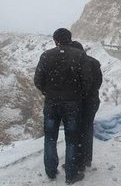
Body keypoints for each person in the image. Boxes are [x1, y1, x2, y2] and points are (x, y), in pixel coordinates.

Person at [34, 28, 86, 184]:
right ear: (70, 39)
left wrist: (47, 92)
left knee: (50, 138)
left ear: (55, 40)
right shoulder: (79, 56)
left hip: (51, 103)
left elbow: (38, 80)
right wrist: (78, 95)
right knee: (71, 139)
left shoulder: (46, 56)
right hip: (72, 103)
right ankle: (71, 175)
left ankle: (50, 172)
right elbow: (86, 81)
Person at [70, 41, 103, 172]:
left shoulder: (76, 63)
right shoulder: (94, 62)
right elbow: (99, 82)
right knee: (87, 129)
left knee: (76, 131)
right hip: (93, 100)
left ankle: (78, 162)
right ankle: (87, 158)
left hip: (80, 102)